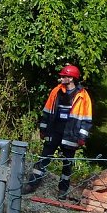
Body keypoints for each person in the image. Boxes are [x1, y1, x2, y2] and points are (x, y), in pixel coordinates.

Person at [23, 64, 92, 199]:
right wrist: (43, 129)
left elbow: (87, 119)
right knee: (44, 158)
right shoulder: (56, 91)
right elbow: (47, 112)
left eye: (64, 76)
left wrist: (82, 137)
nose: (61, 78)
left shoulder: (83, 96)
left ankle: (63, 190)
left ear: (71, 78)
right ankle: (32, 184)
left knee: (67, 164)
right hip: (54, 131)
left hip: (71, 134)